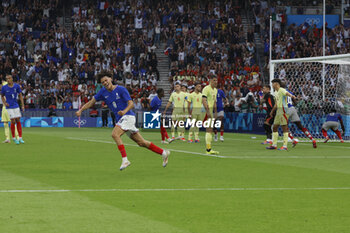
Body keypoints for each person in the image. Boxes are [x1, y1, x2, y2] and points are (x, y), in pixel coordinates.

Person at [76, 71, 170, 170]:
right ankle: (164, 153)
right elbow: (91, 102)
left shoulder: (121, 89)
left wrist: (124, 111)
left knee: (115, 134)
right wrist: (81, 110)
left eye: (106, 80)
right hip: (121, 119)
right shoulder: (102, 92)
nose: (105, 83)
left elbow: (131, 104)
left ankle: (125, 160)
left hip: (128, 116)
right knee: (141, 143)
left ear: (111, 79)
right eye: (102, 82)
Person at [281, 82, 317, 148]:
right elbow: (295, 102)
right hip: (293, 108)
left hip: (286, 109)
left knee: (284, 125)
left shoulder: (280, 92)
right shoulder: (290, 92)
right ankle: (313, 140)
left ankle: (292, 140)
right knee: (300, 126)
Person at [266, 78, 296, 151]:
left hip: (283, 110)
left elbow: (287, 93)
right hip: (279, 110)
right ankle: (274, 145)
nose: (272, 85)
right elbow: (276, 103)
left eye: (273, 84)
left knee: (284, 127)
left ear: (276, 84)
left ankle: (285, 146)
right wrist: (272, 111)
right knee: (275, 127)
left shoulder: (281, 90)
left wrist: (292, 96)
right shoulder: (276, 92)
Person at [1, 75, 25, 145]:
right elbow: (2, 96)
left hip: (16, 105)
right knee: (13, 121)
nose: (8, 80)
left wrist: (22, 105)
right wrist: (5, 103)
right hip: (9, 107)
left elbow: (20, 95)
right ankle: (14, 138)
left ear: (12, 79)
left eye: (9, 78)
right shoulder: (4, 87)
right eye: (7, 79)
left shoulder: (16, 86)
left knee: (18, 120)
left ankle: (20, 137)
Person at [202, 76, 219, 155]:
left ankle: (209, 149)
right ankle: (208, 150)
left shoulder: (215, 90)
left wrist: (215, 112)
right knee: (209, 129)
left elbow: (214, 102)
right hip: (205, 111)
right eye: (214, 80)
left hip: (211, 112)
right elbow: (204, 100)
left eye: (217, 80)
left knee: (210, 130)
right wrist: (208, 111)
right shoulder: (206, 88)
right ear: (210, 81)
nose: (216, 82)